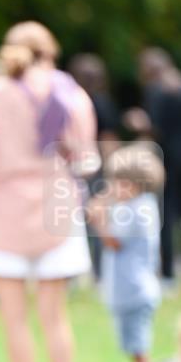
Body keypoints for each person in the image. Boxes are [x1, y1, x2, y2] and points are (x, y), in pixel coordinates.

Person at [0, 21, 98, 362]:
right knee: (55, 318)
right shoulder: (69, 93)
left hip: (2, 211)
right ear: (50, 51)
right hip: (55, 210)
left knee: (14, 319)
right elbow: (87, 159)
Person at [125, 48, 181, 286]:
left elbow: (155, 129)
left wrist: (139, 123)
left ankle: (168, 274)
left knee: (166, 219)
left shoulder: (156, 91)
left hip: (169, 160)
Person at [86, 144, 164, 362]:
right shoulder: (137, 205)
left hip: (135, 290)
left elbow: (113, 242)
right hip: (129, 289)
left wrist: (98, 222)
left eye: (122, 183)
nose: (116, 188)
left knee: (138, 347)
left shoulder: (137, 210)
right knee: (133, 347)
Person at [67, 53, 121, 279]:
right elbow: (109, 140)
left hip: (72, 167)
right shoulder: (101, 103)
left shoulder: (68, 101)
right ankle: (98, 273)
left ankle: (76, 273)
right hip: (94, 166)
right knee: (98, 219)